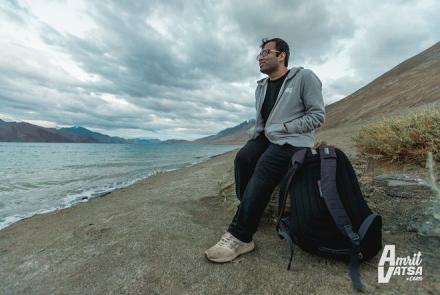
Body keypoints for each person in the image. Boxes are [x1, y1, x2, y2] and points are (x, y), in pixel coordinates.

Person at [205, 37, 326, 263]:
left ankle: (241, 236)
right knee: (242, 158)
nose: (260, 57)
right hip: (267, 137)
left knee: (264, 167)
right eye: (259, 54)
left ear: (282, 55)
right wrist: (256, 133)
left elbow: (317, 116)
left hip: (293, 140)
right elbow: (264, 119)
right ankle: (250, 209)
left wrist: (286, 128)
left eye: (266, 52)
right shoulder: (260, 87)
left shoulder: (304, 77)